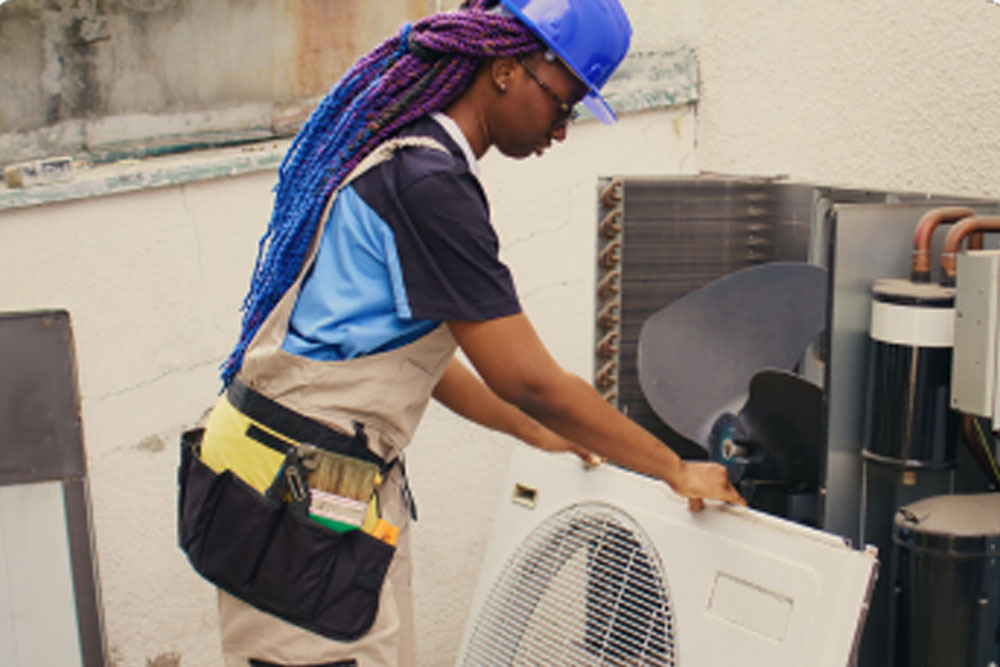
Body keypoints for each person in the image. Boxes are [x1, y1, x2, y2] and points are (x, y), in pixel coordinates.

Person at [178, 0, 745, 665]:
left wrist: (535, 432)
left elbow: (415, 360)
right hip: (291, 506)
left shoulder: (406, 157)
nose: (562, 129)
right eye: (562, 102)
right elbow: (528, 378)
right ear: (505, 68)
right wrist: (675, 468)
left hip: (304, 487)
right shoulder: (428, 187)